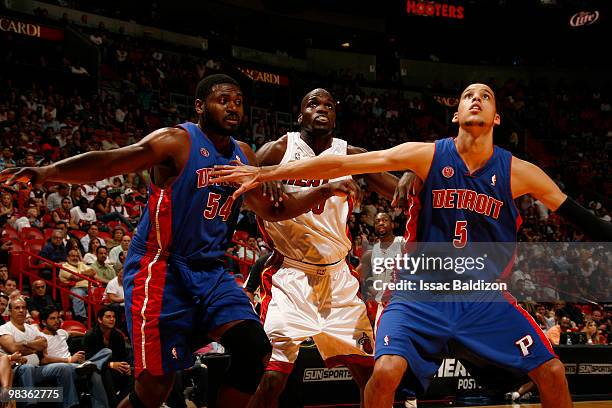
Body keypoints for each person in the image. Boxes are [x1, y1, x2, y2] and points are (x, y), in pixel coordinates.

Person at [211, 83, 612, 408]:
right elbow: (340, 165)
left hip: (481, 296)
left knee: (554, 373)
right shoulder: (425, 155)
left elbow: (581, 217)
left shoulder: (519, 172)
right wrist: (265, 171)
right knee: (383, 373)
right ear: (455, 114)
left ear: (496, 117)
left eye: (485, 96)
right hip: (417, 294)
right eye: (468, 96)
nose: (476, 100)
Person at [0, 74, 359, 408]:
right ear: (201, 106)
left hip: (212, 272)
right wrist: (48, 173)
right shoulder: (176, 141)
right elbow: (111, 162)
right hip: (161, 267)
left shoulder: (244, 154)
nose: (233, 107)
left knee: (254, 350)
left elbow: (274, 209)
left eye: (238, 101)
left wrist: (323, 190)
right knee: (156, 388)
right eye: (222, 100)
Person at [241, 88, 416, 408]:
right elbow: (242, 173)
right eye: (312, 104)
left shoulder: (350, 154)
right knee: (272, 379)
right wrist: (259, 174)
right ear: (300, 116)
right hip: (289, 275)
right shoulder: (280, 149)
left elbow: (401, 192)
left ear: (335, 116)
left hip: (337, 278)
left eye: (328, 105)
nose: (321, 108)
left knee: (371, 375)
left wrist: (412, 174)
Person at [0, 297, 79, 408]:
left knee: (63, 367)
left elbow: (43, 343)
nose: (21, 310)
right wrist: (34, 346)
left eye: (23, 307)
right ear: (10, 311)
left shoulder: (32, 328)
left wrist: (24, 343)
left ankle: (70, 405)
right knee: (27, 368)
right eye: (17, 308)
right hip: (16, 370)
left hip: (37, 368)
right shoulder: (4, 328)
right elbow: (13, 348)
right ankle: (30, 405)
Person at [38, 306, 112, 408]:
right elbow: (44, 359)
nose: (57, 321)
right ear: (44, 322)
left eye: (58, 318)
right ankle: (88, 366)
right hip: (59, 367)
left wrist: (86, 333)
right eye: (52, 318)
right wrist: (69, 359)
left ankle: (101, 406)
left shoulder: (61, 332)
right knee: (84, 368)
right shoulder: (40, 338)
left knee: (106, 352)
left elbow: (71, 333)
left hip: (73, 365)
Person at [83, 306, 131, 407]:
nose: (112, 319)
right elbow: (89, 359)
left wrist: (126, 366)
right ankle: (113, 405)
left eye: (113, 317)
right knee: (105, 371)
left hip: (115, 367)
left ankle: (122, 404)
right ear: (100, 319)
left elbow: (122, 356)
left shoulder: (117, 335)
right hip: (95, 369)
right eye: (108, 317)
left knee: (133, 372)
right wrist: (110, 365)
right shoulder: (91, 335)